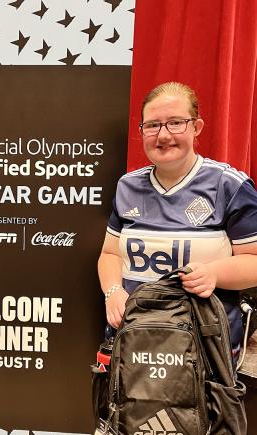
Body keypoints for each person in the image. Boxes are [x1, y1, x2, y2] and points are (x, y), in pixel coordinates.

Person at [98, 81, 257, 364]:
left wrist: (214, 274)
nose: (163, 135)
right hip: (135, 340)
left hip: (203, 350)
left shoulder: (228, 185)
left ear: (196, 128)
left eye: (175, 123)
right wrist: (113, 292)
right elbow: (110, 253)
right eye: (153, 125)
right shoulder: (128, 186)